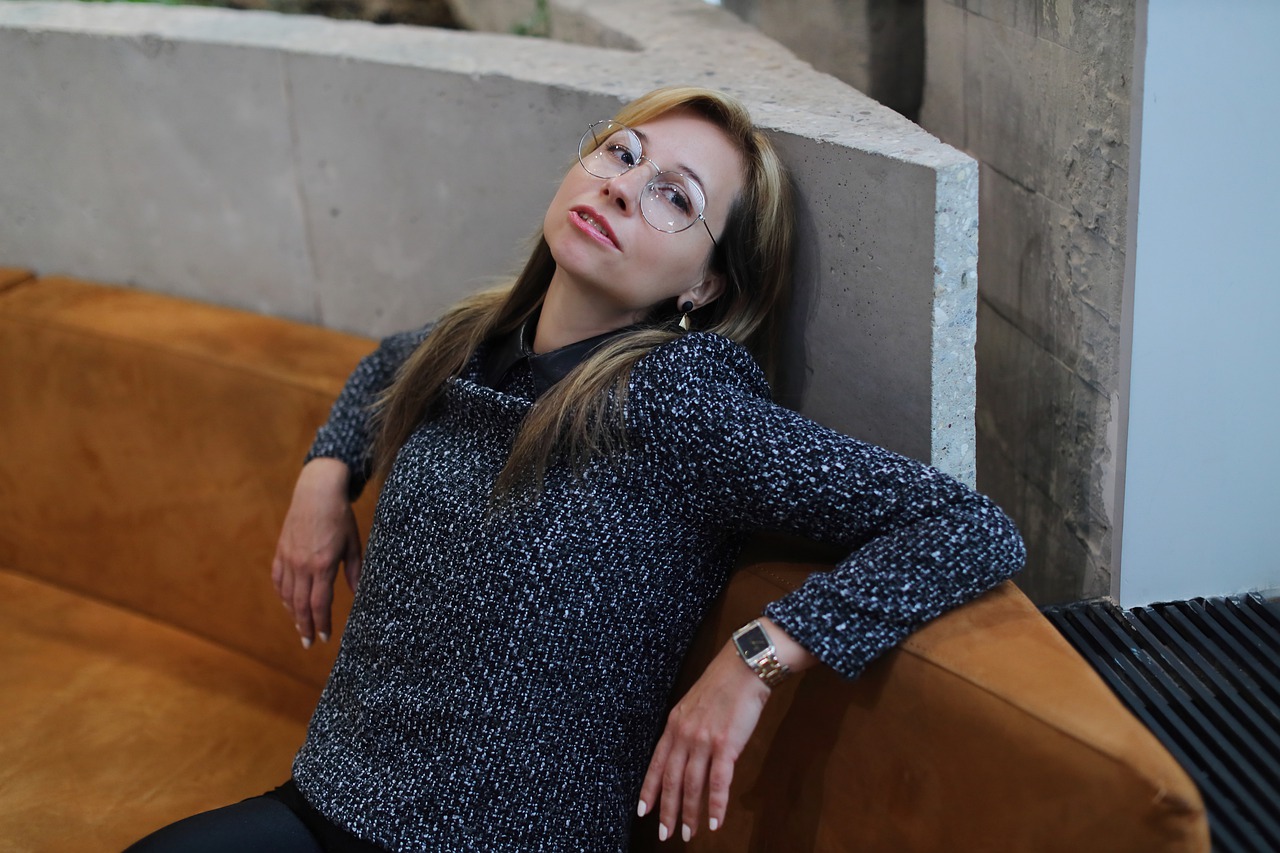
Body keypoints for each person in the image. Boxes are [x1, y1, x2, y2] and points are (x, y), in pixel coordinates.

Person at [127, 86, 1024, 852]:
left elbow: (968, 527)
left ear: (704, 285)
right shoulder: (472, 339)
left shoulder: (678, 402)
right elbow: (383, 367)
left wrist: (756, 657)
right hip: (330, 798)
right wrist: (325, 474)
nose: (624, 187)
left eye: (675, 197)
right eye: (622, 154)